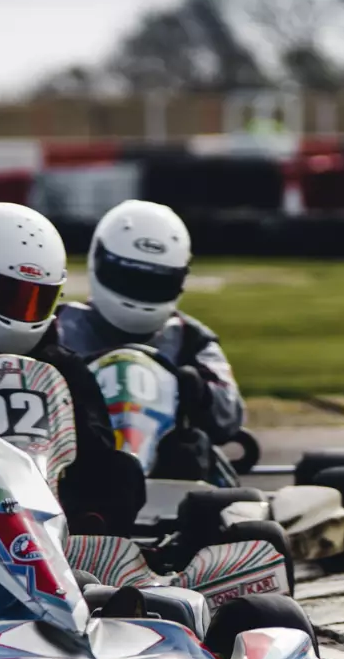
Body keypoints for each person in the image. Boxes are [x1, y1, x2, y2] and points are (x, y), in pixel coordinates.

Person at [0, 201, 142, 530]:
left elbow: (100, 464)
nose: (20, 312)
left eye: (35, 299)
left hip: (58, 538)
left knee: (123, 470)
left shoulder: (67, 373)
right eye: (6, 295)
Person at [53, 199, 245, 481]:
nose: (138, 292)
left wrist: (199, 393)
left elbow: (230, 417)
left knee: (195, 449)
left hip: (172, 480)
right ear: (100, 261)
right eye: (128, 277)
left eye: (155, 283)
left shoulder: (191, 340)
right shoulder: (57, 329)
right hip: (74, 473)